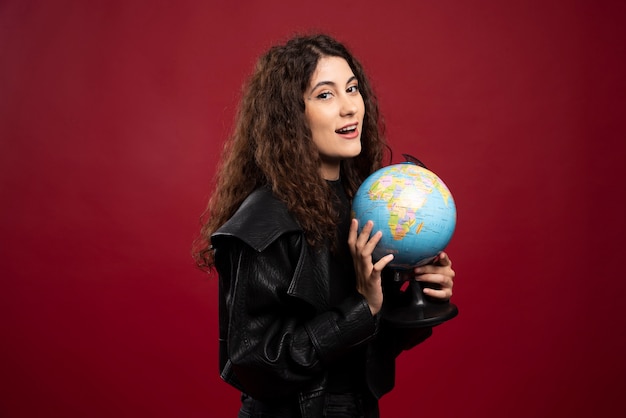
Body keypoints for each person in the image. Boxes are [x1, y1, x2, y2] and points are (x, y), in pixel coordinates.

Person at [194, 33, 455, 418]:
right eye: (325, 95)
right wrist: (361, 308)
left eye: (352, 89)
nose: (350, 107)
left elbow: (366, 347)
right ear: (290, 116)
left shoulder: (362, 204)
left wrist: (420, 299)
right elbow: (253, 365)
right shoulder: (263, 225)